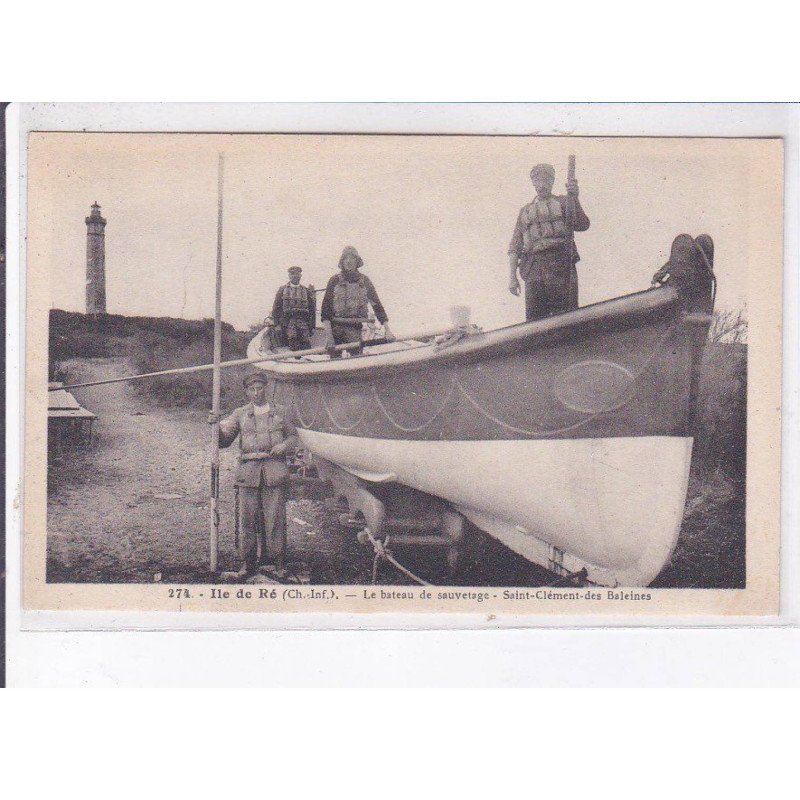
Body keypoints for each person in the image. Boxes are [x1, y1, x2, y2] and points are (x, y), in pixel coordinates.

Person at [209, 372, 298, 578]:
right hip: (248, 473)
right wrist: (216, 427)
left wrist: (283, 446)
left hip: (274, 471)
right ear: (247, 391)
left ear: (265, 388)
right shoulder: (239, 414)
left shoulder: (281, 412)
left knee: (275, 518)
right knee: (247, 520)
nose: (256, 393)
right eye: (252, 389)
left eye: (259, 388)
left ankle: (278, 563)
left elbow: (293, 437)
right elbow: (224, 440)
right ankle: (247, 564)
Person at [507, 163, 590, 321]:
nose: (541, 185)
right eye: (537, 181)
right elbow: (514, 247)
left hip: (560, 267)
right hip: (533, 269)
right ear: (533, 183)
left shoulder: (564, 202)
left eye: (545, 180)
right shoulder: (525, 211)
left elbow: (582, 224)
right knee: (534, 322)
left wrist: (575, 198)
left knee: (567, 319)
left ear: (552, 182)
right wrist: (512, 277)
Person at [320, 245, 393, 355]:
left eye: (352, 258)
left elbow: (377, 306)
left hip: (354, 329)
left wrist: (387, 330)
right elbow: (325, 311)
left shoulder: (365, 281)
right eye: (346, 258)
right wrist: (329, 336)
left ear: (357, 261)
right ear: (342, 261)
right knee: (335, 360)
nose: (349, 261)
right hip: (336, 329)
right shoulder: (334, 280)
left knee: (357, 357)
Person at [270, 266, 316, 351]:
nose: (295, 276)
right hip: (287, 322)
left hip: (303, 321)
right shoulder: (282, 289)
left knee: (305, 342)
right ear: (289, 276)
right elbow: (276, 308)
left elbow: (312, 310)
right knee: (292, 340)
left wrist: (313, 326)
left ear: (300, 276)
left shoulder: (306, 290)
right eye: (292, 274)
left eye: (297, 274)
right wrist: (277, 325)